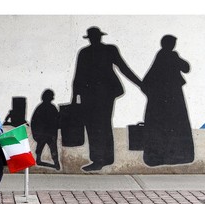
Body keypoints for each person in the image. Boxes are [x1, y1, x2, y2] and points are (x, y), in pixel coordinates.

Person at [72, 26, 142, 171]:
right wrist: (140, 84)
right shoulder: (98, 51)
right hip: (100, 95)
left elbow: (123, 68)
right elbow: (78, 75)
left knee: (96, 126)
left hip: (97, 95)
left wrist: (140, 83)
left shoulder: (93, 51)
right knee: (102, 124)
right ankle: (107, 158)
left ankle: (99, 160)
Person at [142, 35, 194, 166]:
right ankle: (176, 156)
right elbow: (186, 68)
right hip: (172, 98)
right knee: (175, 125)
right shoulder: (170, 55)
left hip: (163, 99)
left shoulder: (162, 55)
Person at [31, 89, 60, 170]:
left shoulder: (41, 108)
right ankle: (56, 163)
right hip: (48, 134)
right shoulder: (51, 107)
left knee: (44, 148)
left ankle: (41, 160)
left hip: (44, 133)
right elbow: (57, 120)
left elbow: (34, 121)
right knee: (52, 148)